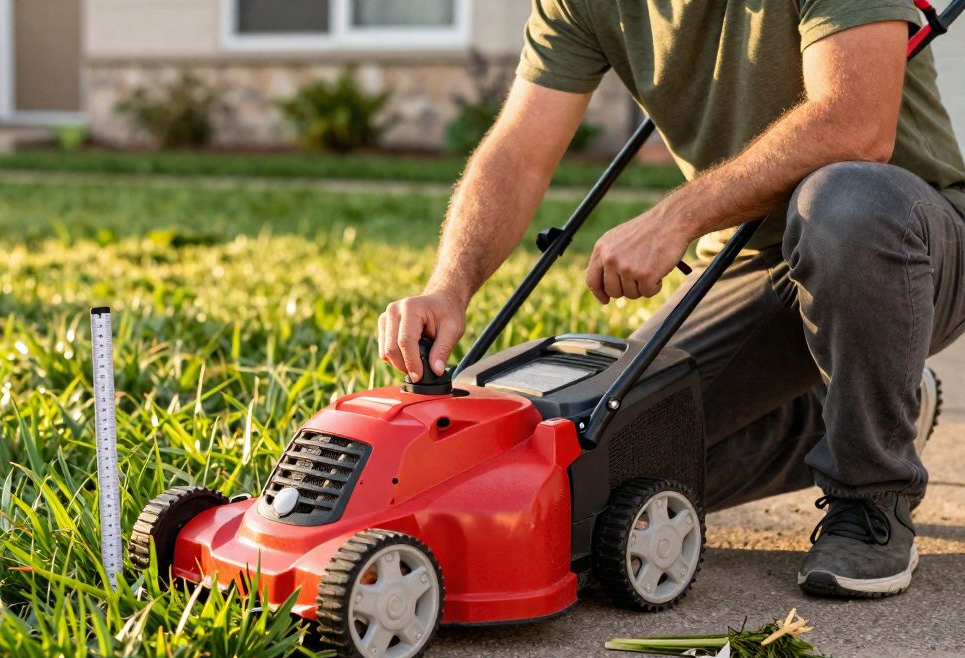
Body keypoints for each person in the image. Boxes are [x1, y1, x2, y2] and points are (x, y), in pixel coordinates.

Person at [377, 0, 965, 598]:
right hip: (749, 263)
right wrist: (449, 286)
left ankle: (872, 497)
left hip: (901, 244)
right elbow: (519, 153)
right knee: (591, 473)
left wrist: (674, 218)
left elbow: (856, 127)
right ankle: (861, 406)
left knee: (845, 199)